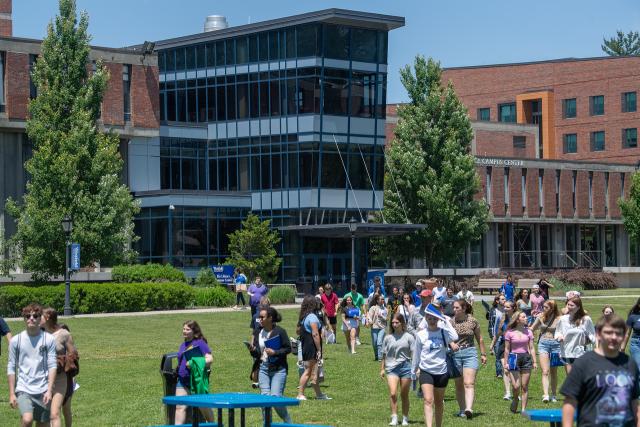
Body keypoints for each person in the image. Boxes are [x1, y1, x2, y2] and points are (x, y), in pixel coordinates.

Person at [561, 315, 640, 427]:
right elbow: (570, 402)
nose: (613, 337)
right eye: (608, 332)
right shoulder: (584, 363)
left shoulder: (630, 363)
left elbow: (634, 402)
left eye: (618, 333)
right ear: (598, 334)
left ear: (623, 336)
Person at [7, 304, 57, 427]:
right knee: (27, 419)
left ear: (41, 319)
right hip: (23, 388)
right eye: (27, 316)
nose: (31, 318)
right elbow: (11, 366)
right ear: (24, 319)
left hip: (43, 389)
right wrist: (12, 393)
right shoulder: (16, 341)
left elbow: (52, 365)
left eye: (35, 316)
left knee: (42, 424)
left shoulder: (48, 339)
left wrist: (49, 390)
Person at [412, 304, 458, 427]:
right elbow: (416, 354)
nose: (432, 321)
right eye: (429, 318)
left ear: (438, 319)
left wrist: (444, 319)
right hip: (426, 371)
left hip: (442, 372)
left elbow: (455, 337)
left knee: (438, 402)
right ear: (426, 318)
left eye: (434, 318)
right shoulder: (421, 335)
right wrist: (413, 370)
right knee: (428, 400)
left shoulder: (444, 332)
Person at [250, 307, 293, 424]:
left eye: (262, 317)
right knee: (264, 400)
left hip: (278, 370)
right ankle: (267, 424)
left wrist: (275, 352)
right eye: (259, 317)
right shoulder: (258, 331)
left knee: (275, 398)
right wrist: (253, 350)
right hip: (263, 369)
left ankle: (287, 420)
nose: (259, 320)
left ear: (270, 318)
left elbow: (288, 348)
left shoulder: (280, 331)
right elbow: (258, 352)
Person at [450, 300, 487, 420]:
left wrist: (483, 354)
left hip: (470, 353)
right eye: (453, 308)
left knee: (469, 383)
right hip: (455, 354)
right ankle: (462, 409)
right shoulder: (450, 322)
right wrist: (451, 344)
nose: (454, 310)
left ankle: (469, 409)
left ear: (464, 308)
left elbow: (479, 338)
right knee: (459, 384)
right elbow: (445, 337)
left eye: (457, 308)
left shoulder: (472, 321)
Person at [40, 308, 77, 427]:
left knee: (55, 413)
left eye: (39, 316)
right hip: (42, 378)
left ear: (47, 317)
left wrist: (60, 362)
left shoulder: (64, 334)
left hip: (60, 378)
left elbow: (74, 356)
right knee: (43, 415)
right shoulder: (39, 333)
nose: (35, 318)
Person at [174, 320, 214, 424]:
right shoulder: (183, 345)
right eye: (183, 329)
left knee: (203, 407)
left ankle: (213, 425)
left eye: (187, 329)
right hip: (182, 381)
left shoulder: (200, 343)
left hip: (196, 381)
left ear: (194, 331)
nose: (184, 331)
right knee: (179, 407)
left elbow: (210, 359)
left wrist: (193, 363)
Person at [381, 312, 415, 426]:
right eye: (393, 323)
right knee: (393, 393)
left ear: (402, 323)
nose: (395, 324)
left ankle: (405, 417)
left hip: (406, 367)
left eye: (397, 322)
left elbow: (414, 354)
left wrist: (415, 368)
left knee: (404, 395)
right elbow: (384, 355)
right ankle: (394, 417)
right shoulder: (388, 338)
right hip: (391, 368)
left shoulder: (409, 337)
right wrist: (382, 369)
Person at [296, 296, 330, 400]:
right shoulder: (312, 317)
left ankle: (319, 395)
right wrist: (319, 349)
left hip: (306, 345)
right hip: (311, 347)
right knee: (308, 371)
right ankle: (300, 394)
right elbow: (315, 334)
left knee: (314, 371)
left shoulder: (305, 316)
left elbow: (298, 331)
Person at [503, 310, 537, 413]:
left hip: (526, 358)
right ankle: (515, 398)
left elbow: (532, 348)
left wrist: (535, 361)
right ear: (518, 320)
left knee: (524, 386)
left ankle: (523, 409)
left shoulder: (529, 332)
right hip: (513, 358)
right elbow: (507, 349)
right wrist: (506, 363)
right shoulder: (509, 333)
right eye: (524, 317)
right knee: (516, 386)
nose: (526, 318)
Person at [531, 299, 561, 403]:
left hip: (556, 345)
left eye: (546, 307)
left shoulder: (560, 318)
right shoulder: (540, 317)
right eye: (543, 306)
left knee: (554, 372)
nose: (544, 309)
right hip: (543, 344)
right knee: (545, 371)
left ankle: (553, 395)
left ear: (552, 308)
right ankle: (546, 395)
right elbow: (532, 328)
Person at [555, 296, 595, 374]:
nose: (569, 307)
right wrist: (559, 337)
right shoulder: (563, 319)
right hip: (567, 352)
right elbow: (558, 332)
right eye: (568, 305)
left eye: (572, 305)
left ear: (578, 307)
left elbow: (592, 335)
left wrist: (588, 341)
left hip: (581, 352)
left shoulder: (586, 319)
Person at [490, 300, 516, 400]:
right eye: (504, 307)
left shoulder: (518, 319)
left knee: (514, 370)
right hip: (503, 345)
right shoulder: (502, 318)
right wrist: (492, 344)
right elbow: (498, 334)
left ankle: (515, 392)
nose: (505, 309)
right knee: (506, 369)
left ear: (513, 308)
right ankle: (508, 393)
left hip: (515, 346)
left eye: (507, 307)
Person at [488, 294, 506, 378]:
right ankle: (499, 373)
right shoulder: (493, 311)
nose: (504, 300)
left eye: (504, 299)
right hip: (496, 337)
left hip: (506, 337)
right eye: (502, 299)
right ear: (497, 301)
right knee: (498, 355)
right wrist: (492, 337)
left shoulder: (506, 310)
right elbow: (491, 325)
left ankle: (507, 371)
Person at [367, 293, 388, 361]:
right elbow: (369, 316)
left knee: (379, 342)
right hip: (374, 327)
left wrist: (381, 316)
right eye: (381, 299)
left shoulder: (385, 309)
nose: (383, 300)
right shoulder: (373, 308)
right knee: (374, 342)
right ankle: (376, 356)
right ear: (377, 300)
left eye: (383, 299)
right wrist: (370, 321)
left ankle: (380, 357)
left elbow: (386, 319)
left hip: (382, 327)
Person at [623, 297, 640, 368]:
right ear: (639, 305)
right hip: (636, 344)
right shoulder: (632, 317)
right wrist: (622, 348)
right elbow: (627, 334)